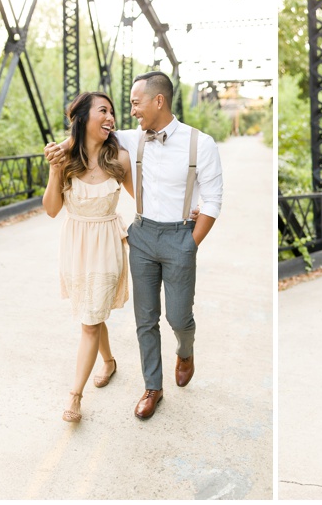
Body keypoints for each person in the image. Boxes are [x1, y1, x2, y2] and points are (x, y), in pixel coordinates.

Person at [46, 71, 223, 420]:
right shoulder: (131, 137)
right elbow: (86, 137)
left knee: (178, 316)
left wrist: (191, 242)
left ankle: (185, 350)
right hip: (141, 235)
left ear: (158, 101)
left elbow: (214, 201)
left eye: (134, 103)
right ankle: (152, 388)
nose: (129, 112)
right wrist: (61, 149)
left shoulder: (201, 143)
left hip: (180, 237)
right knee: (145, 320)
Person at [42, 91, 133, 423]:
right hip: (76, 247)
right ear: (82, 118)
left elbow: (144, 199)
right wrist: (54, 170)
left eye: (112, 112)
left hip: (107, 245)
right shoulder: (64, 160)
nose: (110, 117)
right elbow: (52, 210)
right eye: (103, 111)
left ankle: (75, 396)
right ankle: (108, 363)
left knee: (90, 321)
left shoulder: (119, 160)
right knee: (92, 313)